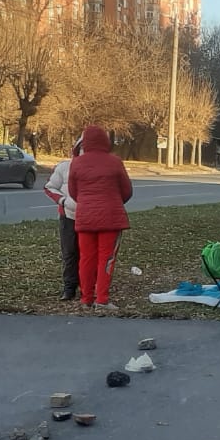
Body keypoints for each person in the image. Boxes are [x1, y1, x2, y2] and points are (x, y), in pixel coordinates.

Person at [68, 124, 133, 310]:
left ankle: (86, 298)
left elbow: (73, 192)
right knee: (107, 259)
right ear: (105, 140)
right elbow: (127, 190)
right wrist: (114, 201)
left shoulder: (77, 163)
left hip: (85, 217)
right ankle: (102, 299)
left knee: (86, 258)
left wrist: (87, 203)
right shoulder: (114, 161)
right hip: (111, 218)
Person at [43, 136, 83, 300]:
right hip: (68, 216)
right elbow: (50, 187)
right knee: (69, 253)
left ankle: (88, 286)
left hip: (91, 217)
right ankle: (69, 287)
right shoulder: (64, 167)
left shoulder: (99, 168)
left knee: (87, 254)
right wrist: (63, 201)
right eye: (82, 148)